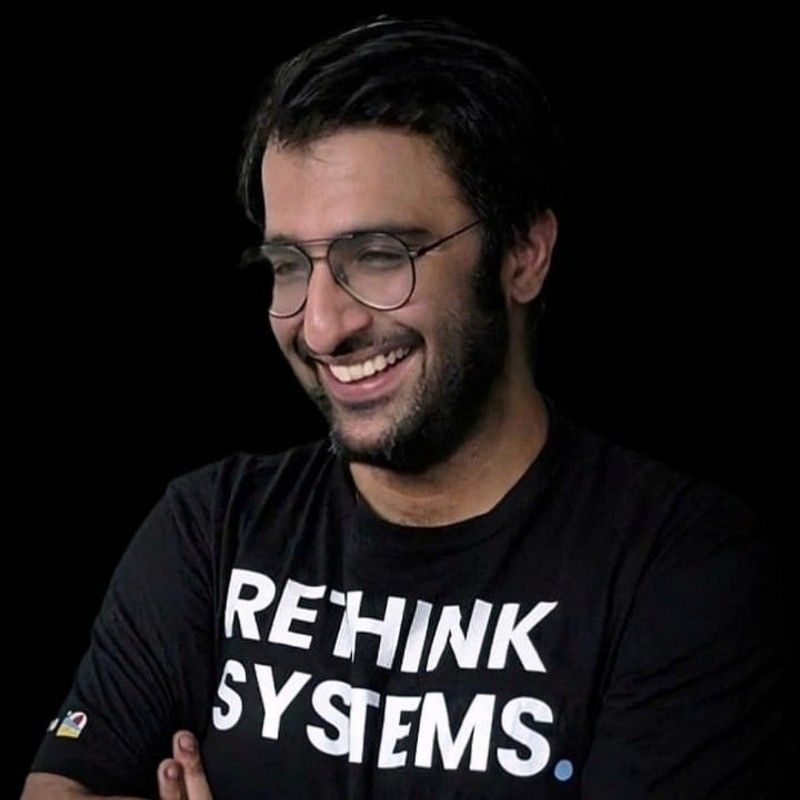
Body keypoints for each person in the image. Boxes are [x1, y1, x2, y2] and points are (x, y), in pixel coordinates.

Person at [22, 13, 785, 800]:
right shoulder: (212, 529)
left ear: (523, 254)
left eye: (379, 256)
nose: (322, 327)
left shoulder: (678, 565)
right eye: (289, 265)